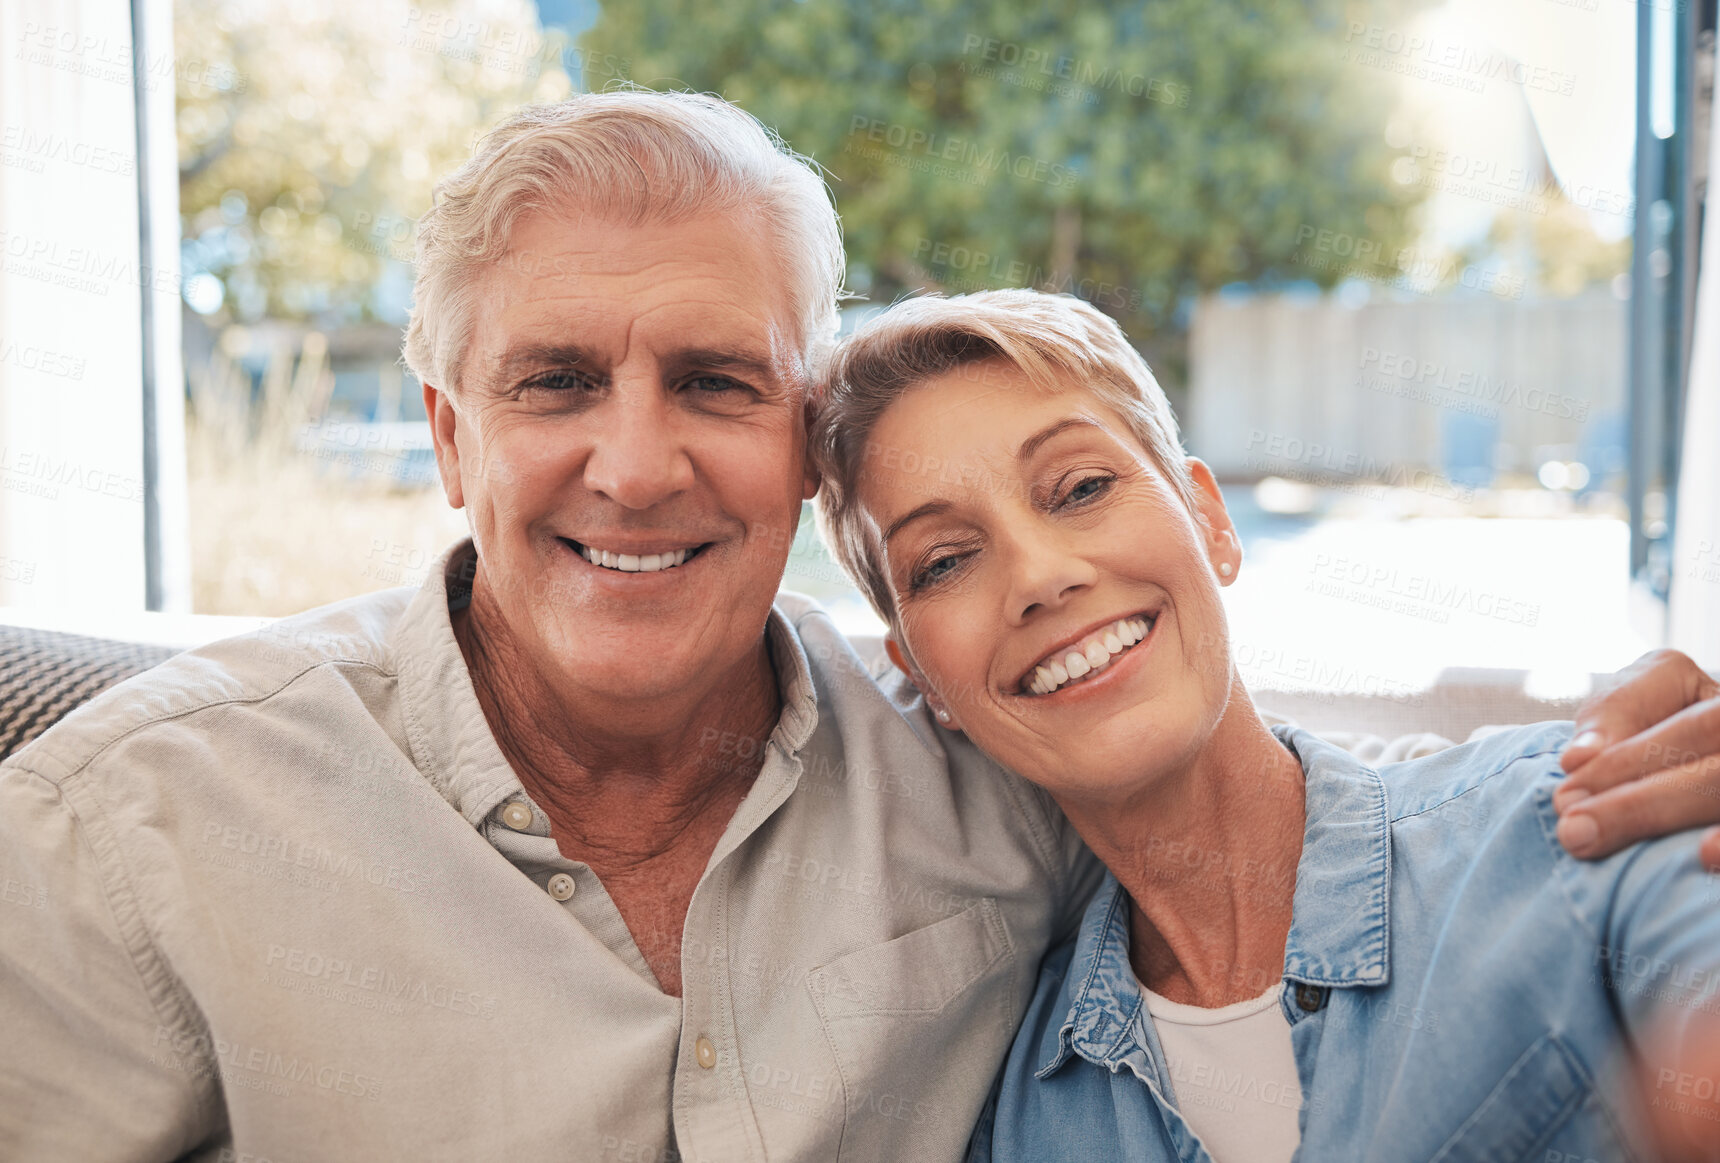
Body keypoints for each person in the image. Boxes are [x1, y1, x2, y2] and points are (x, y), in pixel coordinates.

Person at [0, 90, 1714, 1163]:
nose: (637, 458)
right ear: (450, 435)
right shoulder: (133, 821)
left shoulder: (973, 779)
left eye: (716, 381)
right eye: (556, 382)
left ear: (798, 430)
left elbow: (1275, 821)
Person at [810, 288, 1720, 1163]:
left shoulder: (1575, 818)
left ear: (1210, 521)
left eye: (1081, 486)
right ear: (922, 675)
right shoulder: (1016, 1119)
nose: (1042, 575)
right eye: (946, 561)